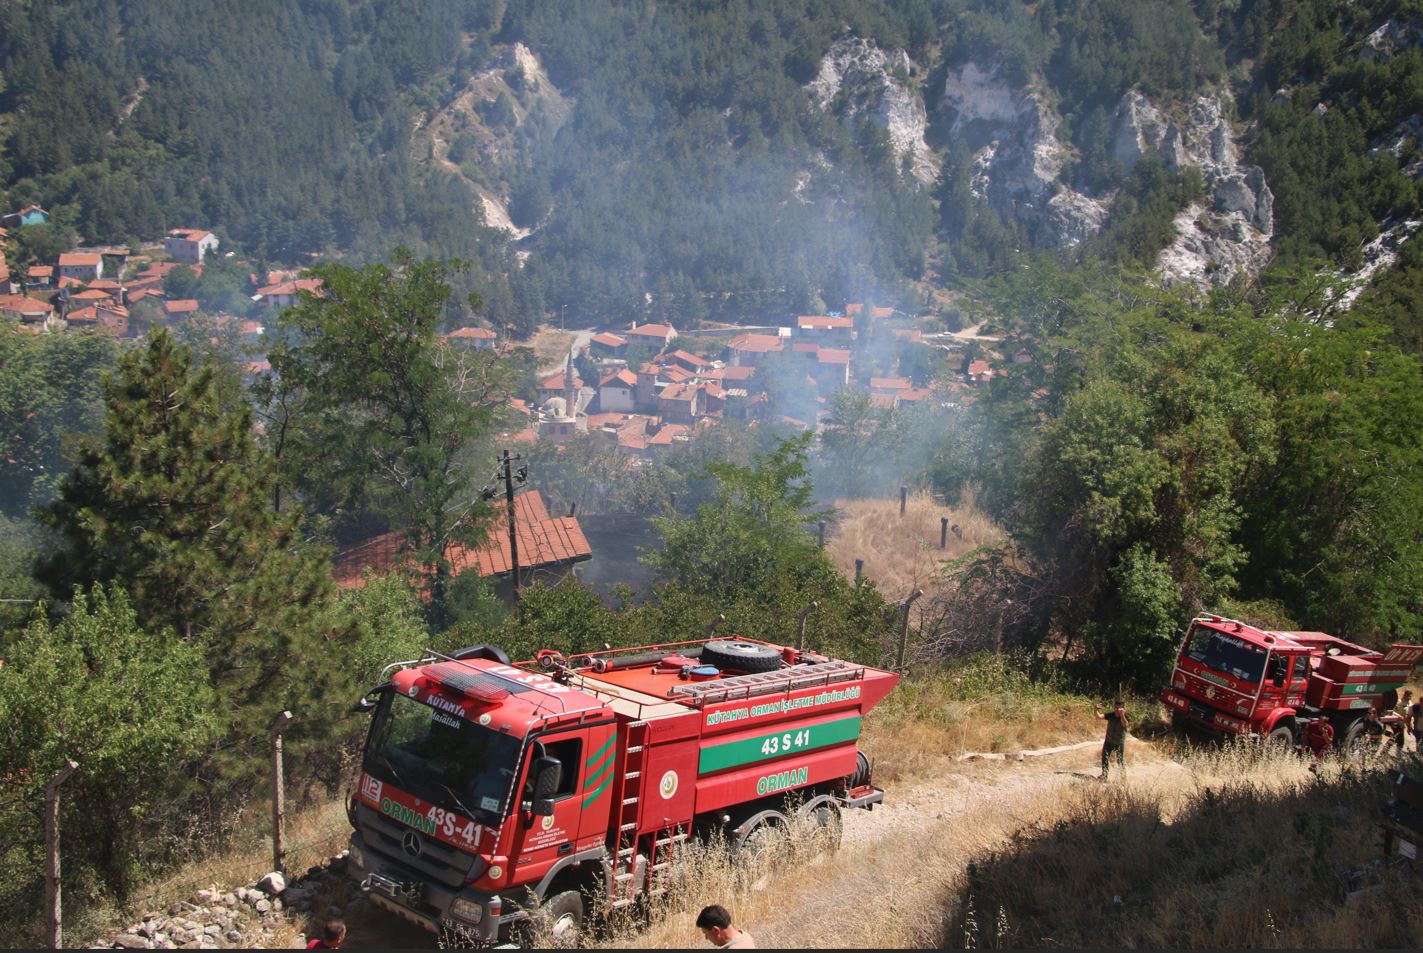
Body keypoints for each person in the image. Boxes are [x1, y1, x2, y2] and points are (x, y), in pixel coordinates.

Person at [1095, 700, 1129, 780]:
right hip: (1108, 741)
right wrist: (1096, 709)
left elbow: (1125, 724)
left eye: (1119, 708)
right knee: (1104, 758)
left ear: (1123, 709)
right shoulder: (1111, 715)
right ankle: (1104, 775)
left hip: (1119, 743)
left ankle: (1123, 778)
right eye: (1115, 708)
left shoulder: (1126, 716)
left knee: (1120, 761)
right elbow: (1099, 717)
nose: (1117, 710)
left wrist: (1122, 715)